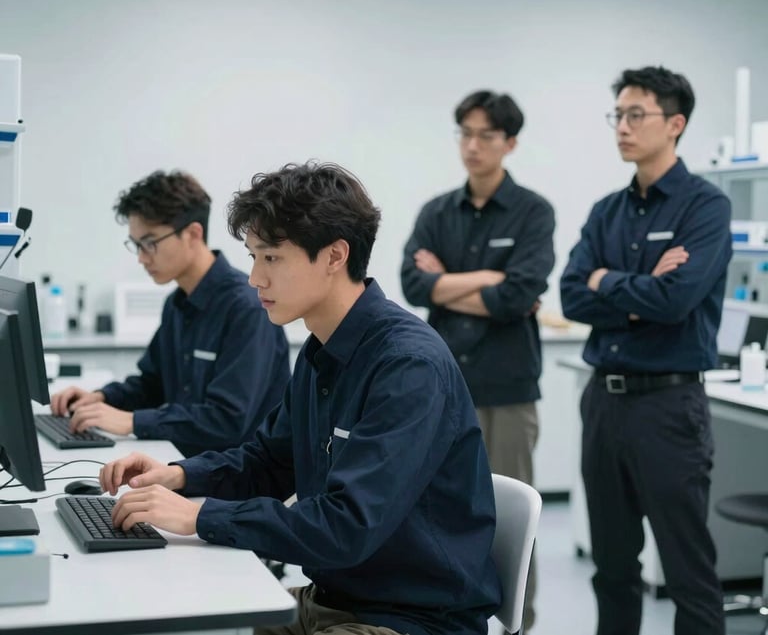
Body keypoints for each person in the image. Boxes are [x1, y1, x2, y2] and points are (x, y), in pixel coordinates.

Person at [99, 162, 502, 635]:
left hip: (408, 619)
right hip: (334, 599)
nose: (254, 278)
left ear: (334, 256)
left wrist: (201, 516)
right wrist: (183, 476)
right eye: (252, 257)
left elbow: (345, 525)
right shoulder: (320, 350)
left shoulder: (408, 367)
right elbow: (269, 461)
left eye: (270, 258)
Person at [560, 66, 731, 635]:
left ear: (675, 124)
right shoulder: (607, 210)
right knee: (612, 569)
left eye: (637, 115)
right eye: (619, 115)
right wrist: (638, 289)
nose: (623, 128)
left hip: (668, 408)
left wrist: (606, 281)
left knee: (688, 573)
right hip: (603, 404)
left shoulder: (704, 207)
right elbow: (569, 295)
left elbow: (676, 301)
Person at [400, 89, 555, 630]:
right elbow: (413, 284)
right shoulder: (437, 212)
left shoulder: (533, 211)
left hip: (506, 387)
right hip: (442, 388)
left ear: (509, 143)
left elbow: (518, 296)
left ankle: (519, 623)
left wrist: (447, 283)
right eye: (464, 132)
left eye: (485, 135)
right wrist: (488, 279)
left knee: (513, 523)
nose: (472, 145)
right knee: (438, 515)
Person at [51, 170, 290, 457]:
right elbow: (152, 383)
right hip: (183, 460)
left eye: (149, 243)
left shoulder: (247, 308)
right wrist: (100, 398)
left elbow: (227, 421)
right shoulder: (177, 304)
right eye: (136, 245)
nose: (141, 257)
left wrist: (131, 421)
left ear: (192, 234)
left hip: (232, 480)